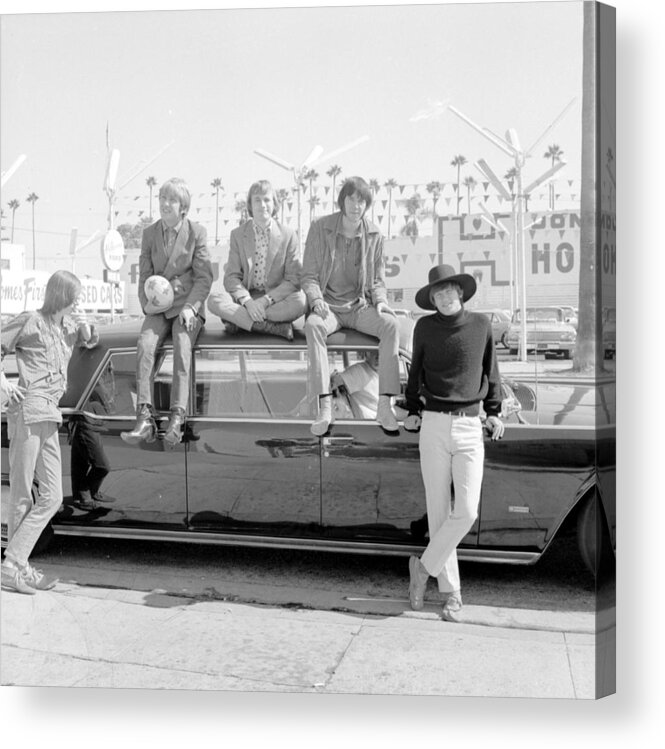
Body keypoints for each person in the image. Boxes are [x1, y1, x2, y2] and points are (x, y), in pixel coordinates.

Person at [403, 264, 505, 622]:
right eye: (437, 293)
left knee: (467, 511)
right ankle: (452, 594)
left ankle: (423, 568)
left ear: (460, 293)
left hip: (469, 427)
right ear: (432, 300)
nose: (444, 297)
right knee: (439, 511)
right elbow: (415, 371)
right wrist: (412, 408)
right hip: (432, 424)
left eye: (449, 291)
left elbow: (491, 372)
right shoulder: (425, 327)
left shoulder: (481, 326)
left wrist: (494, 412)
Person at [0, 270, 99, 595]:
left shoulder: (67, 327)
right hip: (27, 410)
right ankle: (18, 569)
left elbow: (91, 340)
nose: (80, 301)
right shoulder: (31, 320)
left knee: (53, 495)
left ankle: (13, 562)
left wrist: (83, 320)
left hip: (50, 414)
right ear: (63, 295)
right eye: (77, 295)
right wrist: (3, 382)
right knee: (22, 494)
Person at [301, 176, 400, 436]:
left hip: (358, 307)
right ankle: (324, 406)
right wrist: (316, 300)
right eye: (352, 199)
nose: (357, 205)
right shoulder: (320, 228)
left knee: (391, 324)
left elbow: (378, 279)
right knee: (313, 326)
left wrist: (381, 301)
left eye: (362, 201)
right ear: (342, 201)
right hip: (328, 308)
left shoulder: (375, 234)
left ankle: (384, 405)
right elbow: (309, 275)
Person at [121, 177, 213, 447]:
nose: (164, 203)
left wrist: (190, 307)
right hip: (158, 307)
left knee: (183, 345)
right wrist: (146, 304)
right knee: (145, 344)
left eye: (171, 199)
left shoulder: (197, 232)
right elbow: (144, 276)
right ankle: (145, 417)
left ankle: (177, 415)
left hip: (187, 306)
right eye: (162, 198)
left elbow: (204, 278)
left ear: (183, 207)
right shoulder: (149, 234)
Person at [207, 179, 306, 340]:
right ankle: (269, 327)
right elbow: (231, 277)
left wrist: (265, 301)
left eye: (266, 199)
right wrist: (248, 302)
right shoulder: (238, 235)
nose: (262, 205)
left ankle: (239, 321)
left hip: (275, 301)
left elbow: (294, 280)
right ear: (251, 205)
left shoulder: (288, 235)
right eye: (257, 200)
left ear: (274, 203)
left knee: (302, 301)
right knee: (214, 300)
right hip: (245, 299)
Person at [70, 361, 115, 510]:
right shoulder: (94, 364)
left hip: (93, 420)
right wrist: (110, 407)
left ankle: (88, 493)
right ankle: (85, 495)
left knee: (81, 462)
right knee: (102, 466)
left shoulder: (104, 364)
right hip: (86, 419)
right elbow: (100, 391)